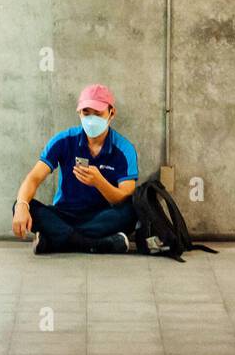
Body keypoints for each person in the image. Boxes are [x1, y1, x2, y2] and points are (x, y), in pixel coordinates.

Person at [11, 83, 139, 254]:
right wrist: (21, 206)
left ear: (111, 113)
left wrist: (99, 182)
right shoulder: (64, 140)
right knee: (21, 204)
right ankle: (94, 244)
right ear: (79, 112)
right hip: (63, 214)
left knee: (131, 212)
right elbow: (34, 177)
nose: (91, 118)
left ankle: (56, 240)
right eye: (86, 112)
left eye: (98, 113)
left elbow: (124, 197)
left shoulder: (124, 149)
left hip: (100, 216)